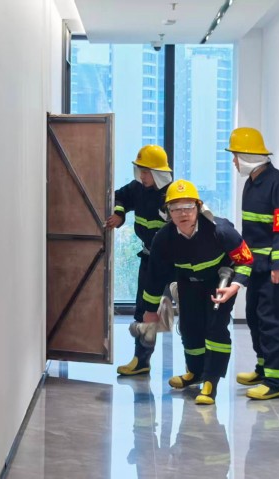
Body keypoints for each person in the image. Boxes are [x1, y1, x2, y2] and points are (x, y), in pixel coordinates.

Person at [142, 179, 253, 405]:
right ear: (168, 212)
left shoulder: (221, 230)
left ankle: (211, 381)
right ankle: (195, 372)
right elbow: (154, 277)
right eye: (176, 208)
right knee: (189, 328)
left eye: (188, 207)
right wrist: (150, 310)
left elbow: (246, 260)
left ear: (198, 207)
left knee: (215, 329)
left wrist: (234, 286)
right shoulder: (163, 238)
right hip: (188, 283)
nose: (183, 213)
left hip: (220, 283)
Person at [226, 127, 279, 400]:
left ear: (248, 156)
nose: (234, 161)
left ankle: (275, 381)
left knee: (272, 321)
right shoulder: (252, 183)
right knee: (254, 317)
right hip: (258, 264)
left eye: (236, 156)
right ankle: (262, 367)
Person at [106, 144, 172, 376]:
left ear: (158, 173)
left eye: (146, 172)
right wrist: (120, 214)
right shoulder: (137, 189)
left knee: (191, 313)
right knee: (144, 310)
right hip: (149, 258)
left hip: (175, 263)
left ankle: (195, 369)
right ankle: (141, 360)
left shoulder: (172, 194)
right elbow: (119, 196)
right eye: (140, 171)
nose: (142, 176)